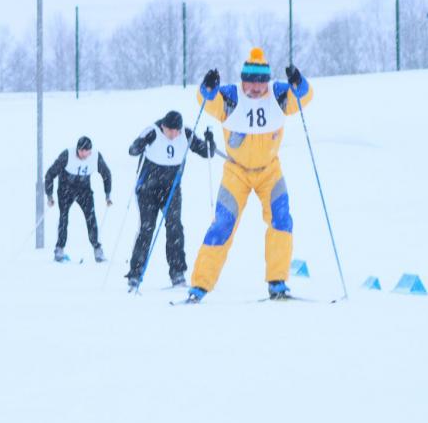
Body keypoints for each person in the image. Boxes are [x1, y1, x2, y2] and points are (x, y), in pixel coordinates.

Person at [185, 47, 312, 303]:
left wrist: (298, 81)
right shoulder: (231, 97)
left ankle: (277, 282)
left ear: (267, 81)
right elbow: (206, 100)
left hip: (269, 171)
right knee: (222, 225)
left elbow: (303, 97)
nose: (255, 88)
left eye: (260, 82)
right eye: (250, 82)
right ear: (242, 80)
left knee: (281, 220)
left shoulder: (277, 95)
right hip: (237, 172)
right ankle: (199, 286)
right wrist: (207, 87)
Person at [125, 110, 217, 290]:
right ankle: (135, 273)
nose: (174, 135)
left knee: (175, 227)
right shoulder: (152, 131)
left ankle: (177, 273)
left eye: (177, 131)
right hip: (147, 190)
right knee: (147, 228)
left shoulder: (186, 133)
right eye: (170, 131)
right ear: (163, 127)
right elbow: (132, 150)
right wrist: (140, 144)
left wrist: (209, 140)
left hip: (171, 189)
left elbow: (207, 152)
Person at [45, 136, 112, 263]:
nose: (82, 154)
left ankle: (97, 249)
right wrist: (49, 195)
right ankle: (59, 248)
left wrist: (107, 194)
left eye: (85, 151)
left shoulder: (95, 157)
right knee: (63, 218)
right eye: (80, 151)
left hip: (84, 190)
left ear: (90, 151)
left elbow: (106, 174)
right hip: (66, 190)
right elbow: (50, 174)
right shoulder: (67, 155)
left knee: (91, 218)